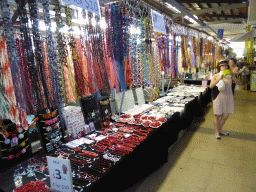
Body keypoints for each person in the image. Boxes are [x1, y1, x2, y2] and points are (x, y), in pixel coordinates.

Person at [210, 60, 241, 139]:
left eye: (226, 66)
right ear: (219, 67)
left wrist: (233, 77)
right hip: (218, 97)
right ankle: (217, 132)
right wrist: (220, 78)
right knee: (217, 115)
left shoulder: (230, 75)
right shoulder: (216, 75)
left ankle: (220, 130)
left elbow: (239, 83)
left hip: (228, 97)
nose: (225, 67)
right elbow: (211, 86)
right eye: (223, 66)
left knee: (225, 116)